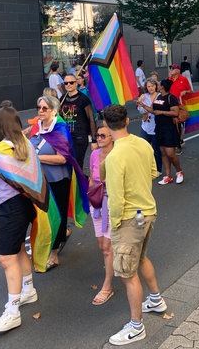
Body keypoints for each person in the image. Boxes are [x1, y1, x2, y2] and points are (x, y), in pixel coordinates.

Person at [101, 104, 165, 346]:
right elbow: (153, 172)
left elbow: (115, 198)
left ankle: (137, 326)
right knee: (140, 259)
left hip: (128, 218)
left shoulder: (116, 156)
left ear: (107, 126)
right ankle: (156, 299)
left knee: (128, 274)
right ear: (128, 121)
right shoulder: (142, 143)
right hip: (148, 211)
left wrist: (115, 224)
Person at [0, 107, 40, 332]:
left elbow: (0, 168)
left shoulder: (0, 149)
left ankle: (12, 311)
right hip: (26, 204)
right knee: (18, 250)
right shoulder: (26, 144)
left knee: (7, 259)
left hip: (11, 208)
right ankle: (28, 289)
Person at [30, 95, 88, 270]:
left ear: (54, 111)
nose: (40, 111)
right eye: (39, 107)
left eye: (44, 108)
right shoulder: (36, 127)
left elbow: (63, 158)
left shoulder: (60, 129)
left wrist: (37, 158)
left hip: (58, 180)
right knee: (42, 216)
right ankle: (60, 236)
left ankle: (54, 254)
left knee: (57, 216)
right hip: (40, 181)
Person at [88, 122, 114, 306]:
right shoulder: (95, 154)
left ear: (112, 137)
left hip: (112, 203)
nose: (99, 138)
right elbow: (91, 176)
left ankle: (107, 286)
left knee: (107, 247)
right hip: (96, 203)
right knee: (101, 245)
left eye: (103, 136)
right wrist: (91, 196)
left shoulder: (118, 155)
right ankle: (117, 264)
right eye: (97, 136)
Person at [60, 74, 97, 169]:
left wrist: (94, 140)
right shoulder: (63, 98)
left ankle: (82, 183)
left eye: (71, 82)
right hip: (66, 137)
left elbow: (91, 119)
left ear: (76, 83)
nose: (68, 85)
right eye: (66, 83)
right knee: (67, 165)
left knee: (77, 165)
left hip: (79, 138)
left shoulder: (83, 99)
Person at [152, 79, 183, 185]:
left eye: (159, 84)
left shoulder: (171, 98)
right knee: (163, 153)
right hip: (159, 128)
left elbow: (175, 112)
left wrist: (161, 112)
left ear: (162, 87)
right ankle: (168, 176)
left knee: (170, 153)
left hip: (169, 128)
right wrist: (142, 105)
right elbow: (154, 111)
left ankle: (179, 171)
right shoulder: (158, 97)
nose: (157, 86)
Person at [136, 78, 162, 174]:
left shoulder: (160, 96)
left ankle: (158, 169)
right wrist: (140, 102)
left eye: (152, 86)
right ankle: (145, 168)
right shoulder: (144, 96)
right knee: (143, 148)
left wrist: (145, 107)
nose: (151, 88)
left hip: (156, 126)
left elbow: (156, 110)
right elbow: (141, 111)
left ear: (156, 86)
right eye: (148, 86)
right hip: (145, 126)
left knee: (156, 150)